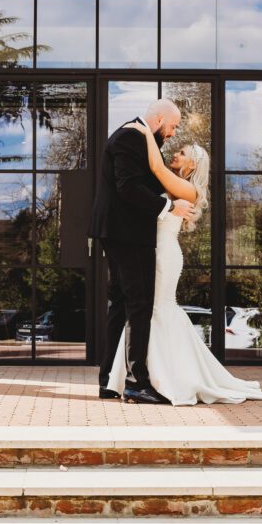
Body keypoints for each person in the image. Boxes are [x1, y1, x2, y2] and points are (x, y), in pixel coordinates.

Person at [106, 120, 262, 406]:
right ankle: (144, 374)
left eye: (183, 153)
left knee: (156, 309)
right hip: (154, 250)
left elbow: (157, 168)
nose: (176, 154)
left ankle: (162, 376)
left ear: (191, 166)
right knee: (149, 310)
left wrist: (143, 131)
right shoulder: (172, 184)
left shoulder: (187, 189)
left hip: (164, 254)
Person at [88, 98, 196, 405]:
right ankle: (136, 383)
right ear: (160, 119)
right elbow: (127, 188)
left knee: (121, 305)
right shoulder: (131, 137)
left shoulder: (139, 138)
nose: (174, 133)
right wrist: (169, 206)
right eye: (173, 126)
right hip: (128, 233)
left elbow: (143, 180)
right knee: (139, 304)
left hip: (121, 232)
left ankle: (109, 381)